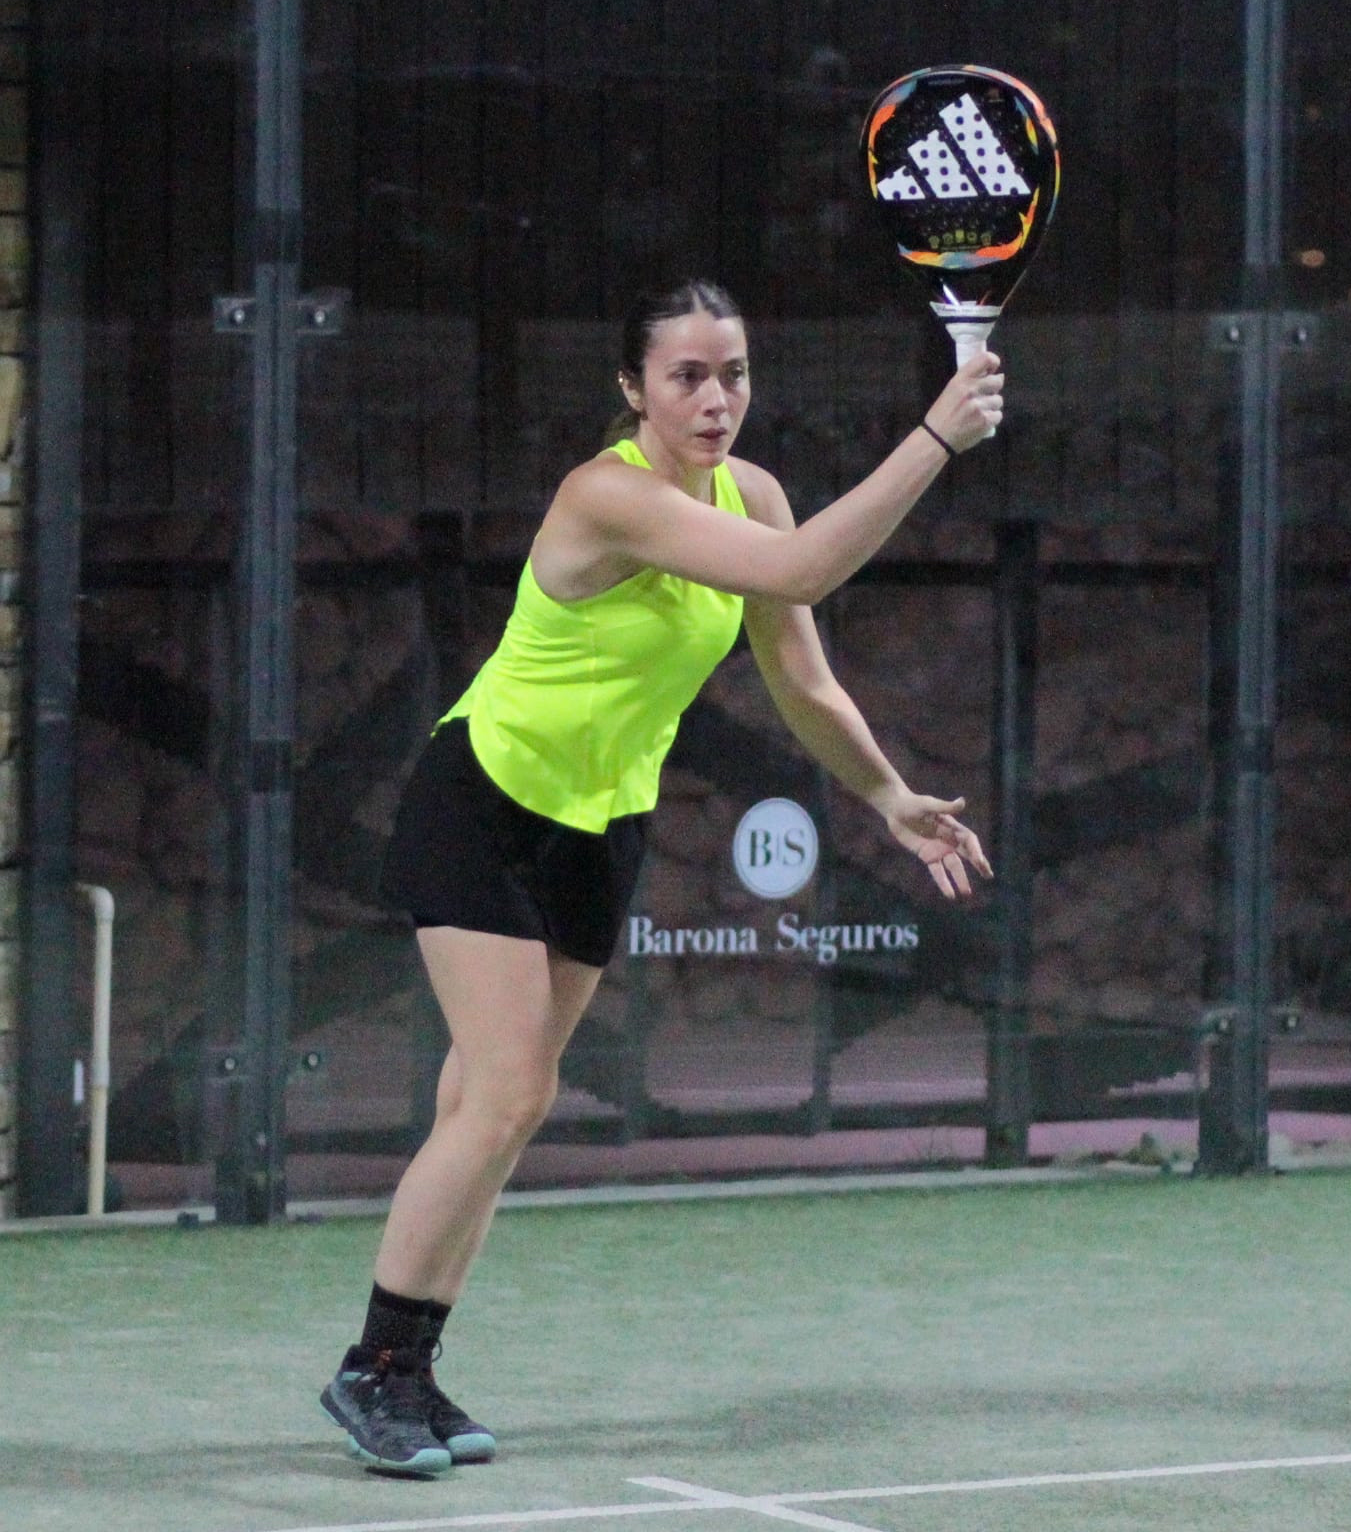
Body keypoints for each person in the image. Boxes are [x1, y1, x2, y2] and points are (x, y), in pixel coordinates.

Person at [320, 279, 1003, 1476]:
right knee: (506, 1091)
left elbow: (801, 679)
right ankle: (371, 1371)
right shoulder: (606, 495)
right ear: (632, 388)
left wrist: (888, 795)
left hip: (599, 830)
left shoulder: (753, 495)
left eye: (732, 373)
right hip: (485, 803)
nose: (714, 398)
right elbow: (802, 569)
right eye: (686, 376)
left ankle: (409, 1368)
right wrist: (933, 436)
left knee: (492, 1106)